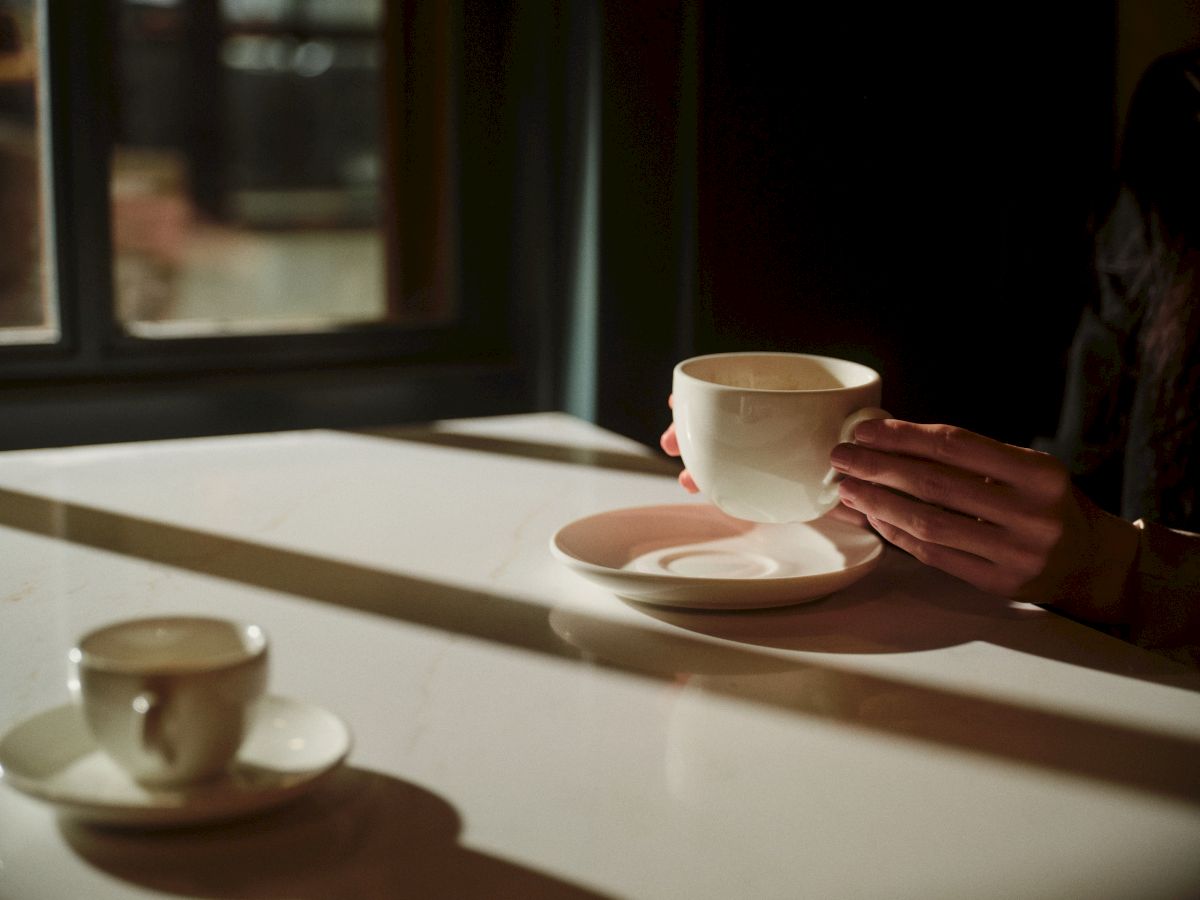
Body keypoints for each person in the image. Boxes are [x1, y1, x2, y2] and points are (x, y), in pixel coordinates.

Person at [660, 48, 1200, 668]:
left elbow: (1097, 551)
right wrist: (874, 493)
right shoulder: (1181, 110)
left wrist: (1122, 571)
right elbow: (1085, 472)